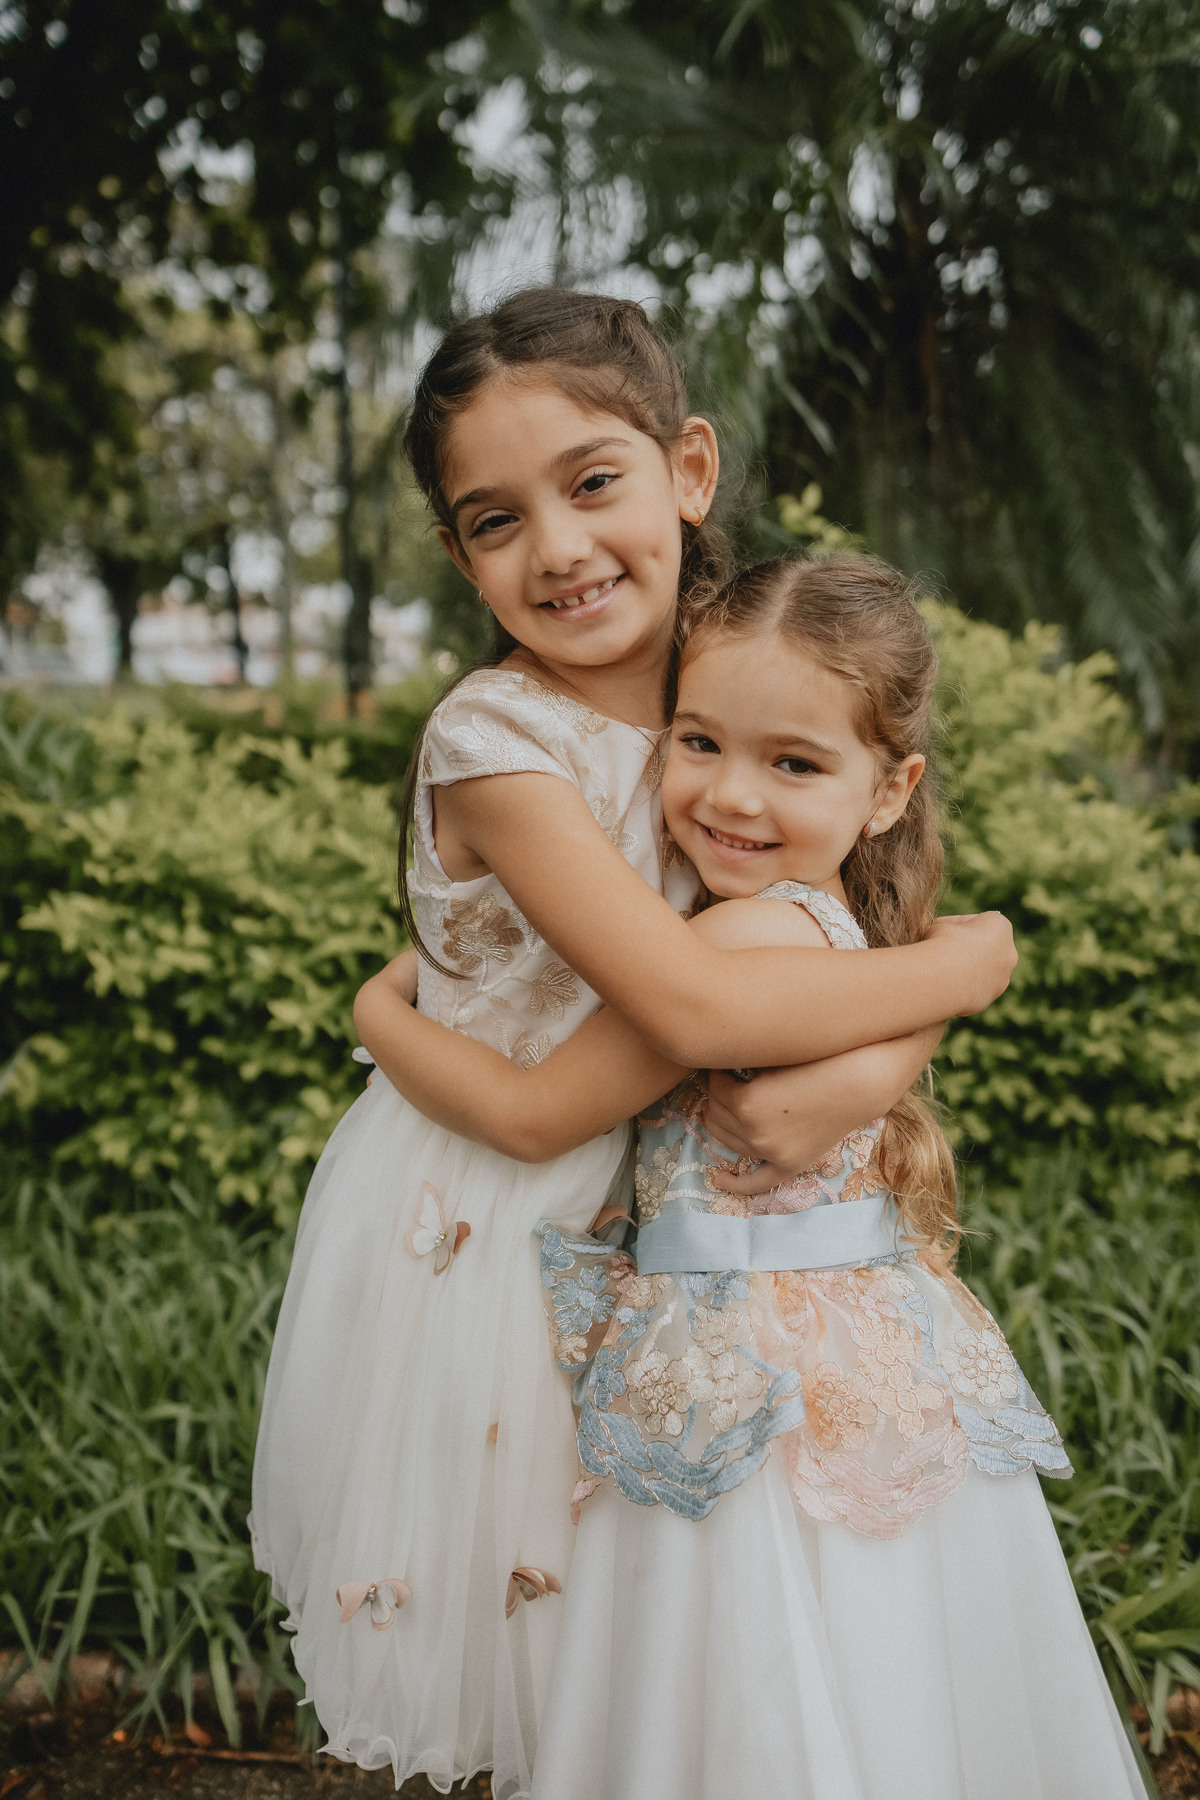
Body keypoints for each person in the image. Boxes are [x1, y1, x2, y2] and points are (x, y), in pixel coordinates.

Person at [252, 288, 1016, 1800]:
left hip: (663, 1207)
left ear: (691, 471)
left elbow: (822, 928)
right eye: (495, 520)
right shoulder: (496, 741)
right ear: (461, 554)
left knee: (672, 1642)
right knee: (558, 1647)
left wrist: (903, 1031)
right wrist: (970, 968)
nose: (558, 548)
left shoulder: (726, 689)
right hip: (501, 1207)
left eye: (592, 481)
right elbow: (695, 1010)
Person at [357, 553, 1146, 1800]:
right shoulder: (837, 922)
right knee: (885, 1681)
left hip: (740, 1389)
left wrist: (373, 1012)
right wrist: (971, 967)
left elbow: (525, 1114)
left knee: (730, 1695)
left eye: (794, 764)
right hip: (860, 1366)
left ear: (890, 792)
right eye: (699, 742)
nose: (731, 795)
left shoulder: (728, 939)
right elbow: (952, 955)